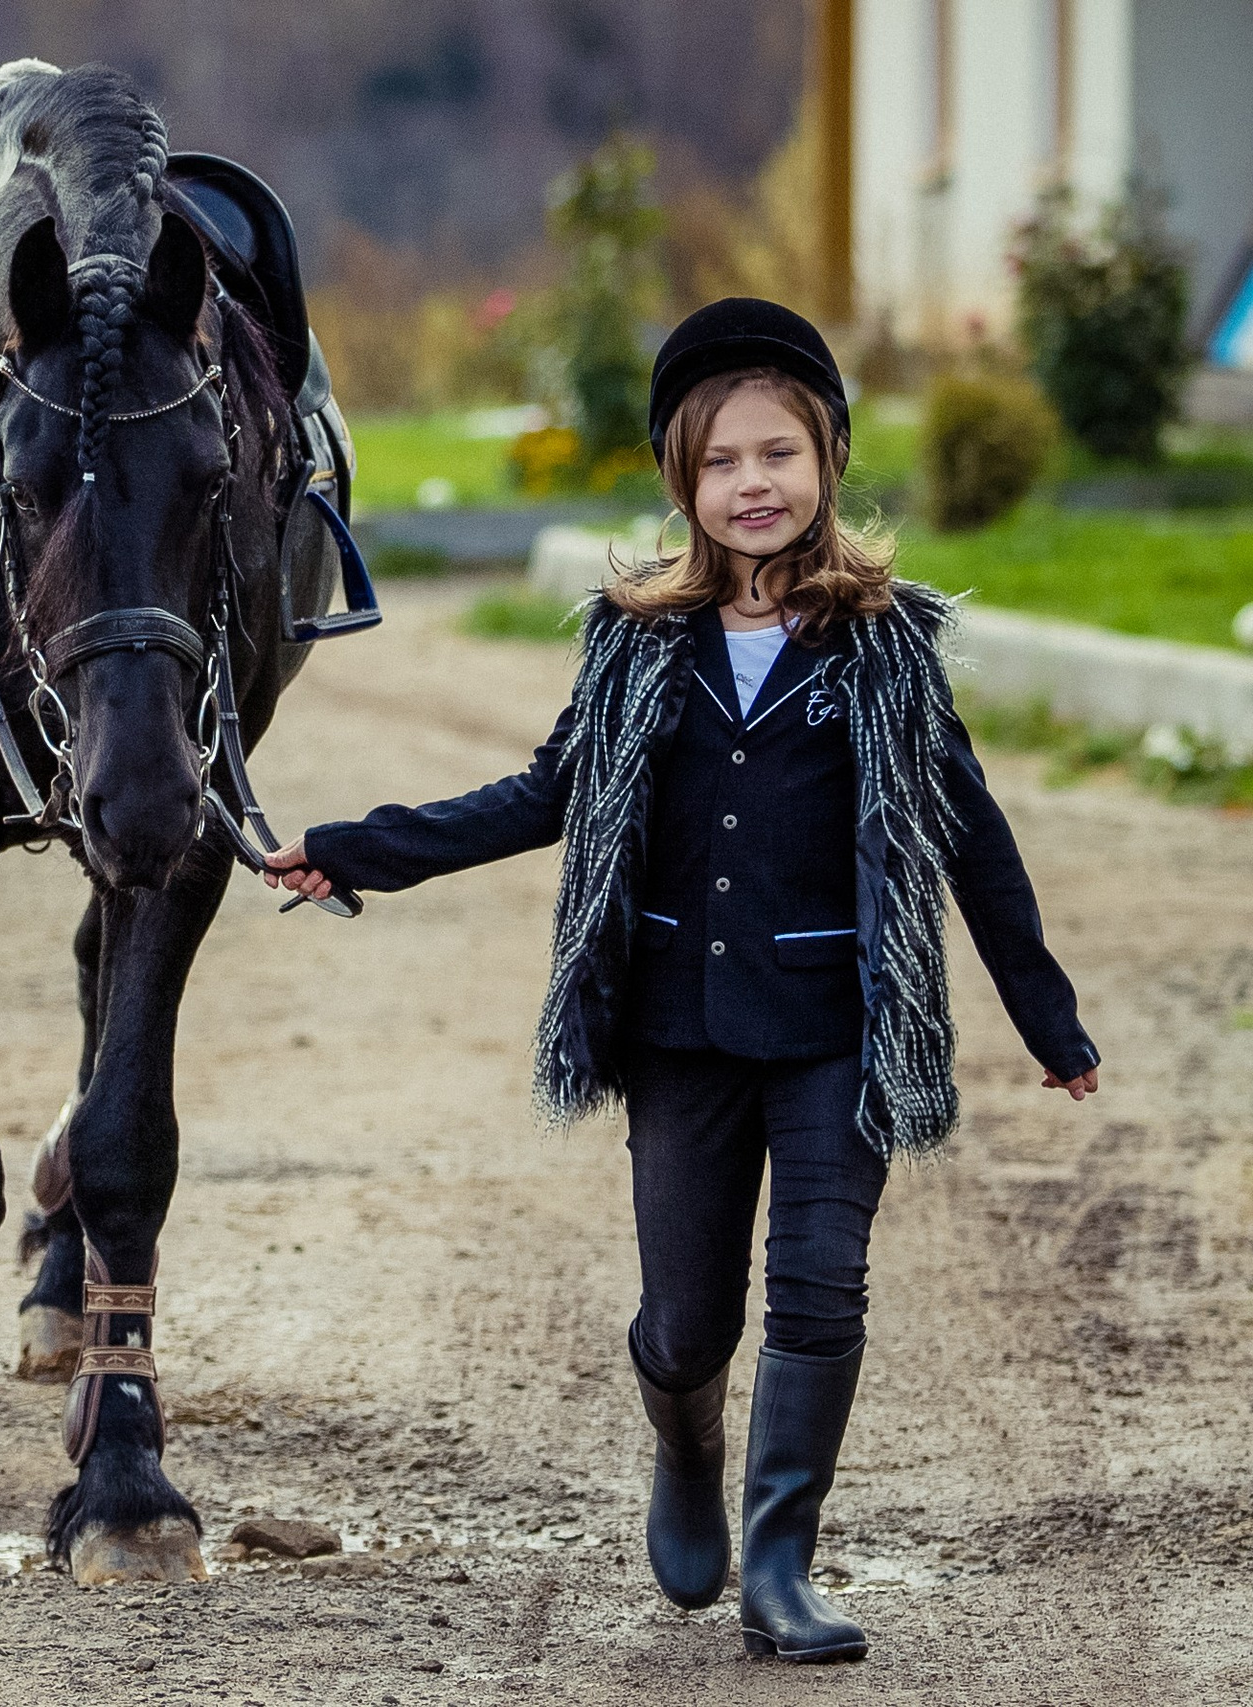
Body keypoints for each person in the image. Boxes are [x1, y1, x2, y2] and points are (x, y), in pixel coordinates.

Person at [263, 298, 1099, 1663]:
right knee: (687, 1316)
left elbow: (975, 842)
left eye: (778, 454)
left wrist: (1047, 1019)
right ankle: (686, 1448)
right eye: (721, 463)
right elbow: (543, 796)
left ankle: (782, 1565)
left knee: (822, 1287)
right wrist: (357, 849)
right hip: (678, 1030)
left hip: (837, 1029)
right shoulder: (637, 640)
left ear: (826, 461)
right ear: (683, 482)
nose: (752, 484)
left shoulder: (884, 649)